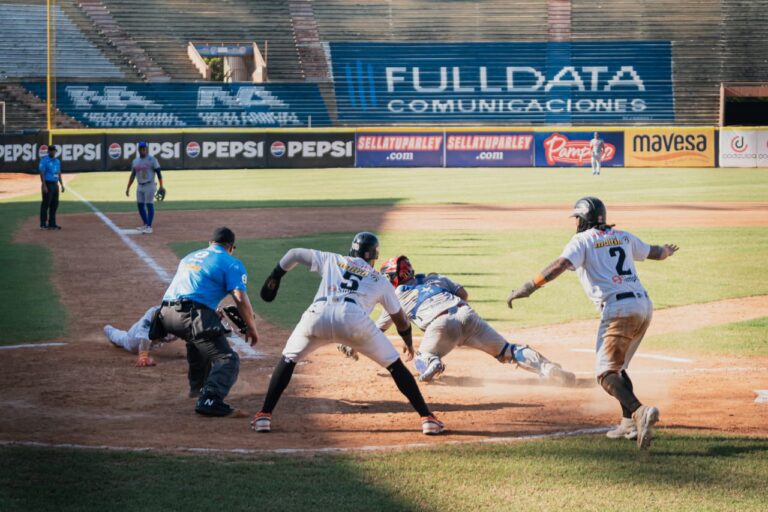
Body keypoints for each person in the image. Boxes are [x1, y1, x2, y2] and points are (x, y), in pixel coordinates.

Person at [506, 197, 679, 450]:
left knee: (605, 374)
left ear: (584, 219)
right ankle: (627, 423)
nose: (575, 222)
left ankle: (640, 411)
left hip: (618, 308)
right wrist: (667, 251)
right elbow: (655, 252)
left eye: (577, 218)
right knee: (618, 368)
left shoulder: (582, 240)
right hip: (643, 305)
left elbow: (561, 264)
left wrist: (528, 287)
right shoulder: (623, 236)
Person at [252, 232, 445, 436]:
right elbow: (401, 321)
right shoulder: (379, 279)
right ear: (373, 258)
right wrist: (408, 341)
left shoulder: (333, 259)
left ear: (352, 250)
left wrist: (275, 276)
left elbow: (294, 253)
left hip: (317, 314)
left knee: (288, 359)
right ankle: (427, 418)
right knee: (395, 366)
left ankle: (264, 415)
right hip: (354, 320)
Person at [340, 256, 576, 386]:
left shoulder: (396, 295)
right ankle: (547, 367)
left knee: (422, 357)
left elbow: (376, 329)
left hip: (439, 324)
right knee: (508, 350)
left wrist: (352, 344)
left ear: (391, 278)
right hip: (466, 314)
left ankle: (432, 362)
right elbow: (464, 294)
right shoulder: (434, 278)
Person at [158, 227, 259, 416]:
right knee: (227, 359)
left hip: (165, 315)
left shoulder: (189, 256)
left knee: (198, 341)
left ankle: (198, 389)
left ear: (210, 243)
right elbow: (239, 297)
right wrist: (251, 327)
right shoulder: (231, 262)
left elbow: (192, 288)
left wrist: (209, 312)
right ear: (231, 247)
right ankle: (210, 399)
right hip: (190, 315)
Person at [103, 306, 177, 367]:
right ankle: (109, 330)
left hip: (158, 339)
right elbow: (146, 333)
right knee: (124, 340)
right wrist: (143, 355)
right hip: (137, 337)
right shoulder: (155, 313)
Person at [125, 141, 163, 234]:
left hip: (150, 185)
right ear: (139, 150)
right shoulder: (135, 161)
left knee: (149, 204)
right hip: (140, 185)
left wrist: (161, 186)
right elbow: (132, 175)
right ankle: (145, 224)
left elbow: (159, 173)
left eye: (144, 148)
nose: (143, 150)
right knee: (140, 205)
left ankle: (149, 227)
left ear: (146, 149)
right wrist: (128, 187)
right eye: (141, 148)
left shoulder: (152, 160)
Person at [39, 145, 65, 230]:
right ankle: (43, 224)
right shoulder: (44, 160)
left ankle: (52, 223)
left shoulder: (57, 161)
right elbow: (42, 172)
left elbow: (58, 172)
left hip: (55, 184)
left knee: (54, 204)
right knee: (46, 204)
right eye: (52, 151)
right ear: (48, 151)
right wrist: (44, 185)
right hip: (48, 184)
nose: (53, 152)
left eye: (54, 151)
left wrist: (61, 184)